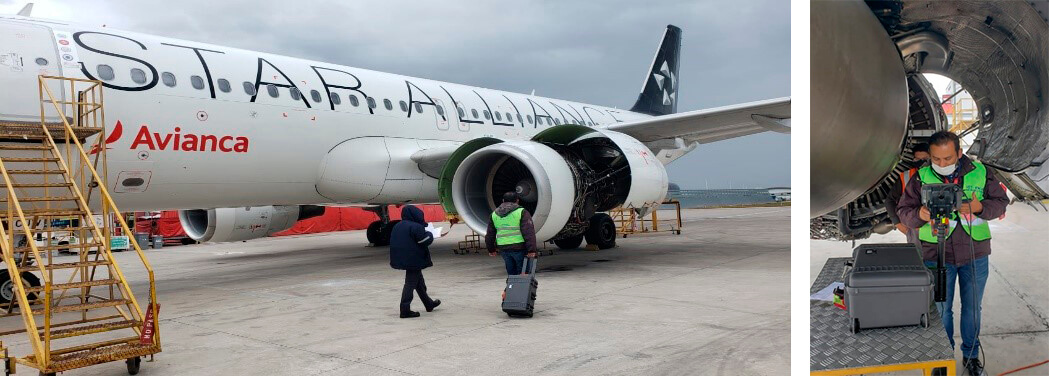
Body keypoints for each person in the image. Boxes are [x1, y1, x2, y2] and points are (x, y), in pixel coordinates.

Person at [897, 131, 1008, 376]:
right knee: (940, 310)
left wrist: (981, 207)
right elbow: (903, 210)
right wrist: (920, 215)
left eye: (948, 158)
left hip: (975, 254)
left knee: (972, 309)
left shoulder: (980, 172)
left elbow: (1001, 202)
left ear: (959, 153)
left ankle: (971, 357)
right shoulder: (921, 177)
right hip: (937, 254)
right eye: (936, 159)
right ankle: (942, 359)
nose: (942, 164)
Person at [389, 205, 441, 318]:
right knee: (410, 283)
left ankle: (429, 303)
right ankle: (405, 309)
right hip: (413, 259)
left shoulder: (398, 225)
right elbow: (424, 240)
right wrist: (431, 234)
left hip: (402, 257)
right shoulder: (416, 226)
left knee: (419, 282)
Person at [885, 142, 930, 247]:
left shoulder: (942, 175)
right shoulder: (906, 176)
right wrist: (898, 224)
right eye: (917, 160)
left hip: (939, 229)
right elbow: (890, 201)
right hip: (915, 231)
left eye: (925, 159)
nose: (921, 164)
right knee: (918, 260)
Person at [485, 192, 538, 275]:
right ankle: (520, 288)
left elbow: (490, 235)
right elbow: (528, 233)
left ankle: (510, 287)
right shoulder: (521, 212)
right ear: (517, 201)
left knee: (511, 272)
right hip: (519, 247)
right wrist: (531, 250)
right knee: (523, 273)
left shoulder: (494, 214)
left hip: (503, 248)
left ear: (503, 200)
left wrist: (491, 249)